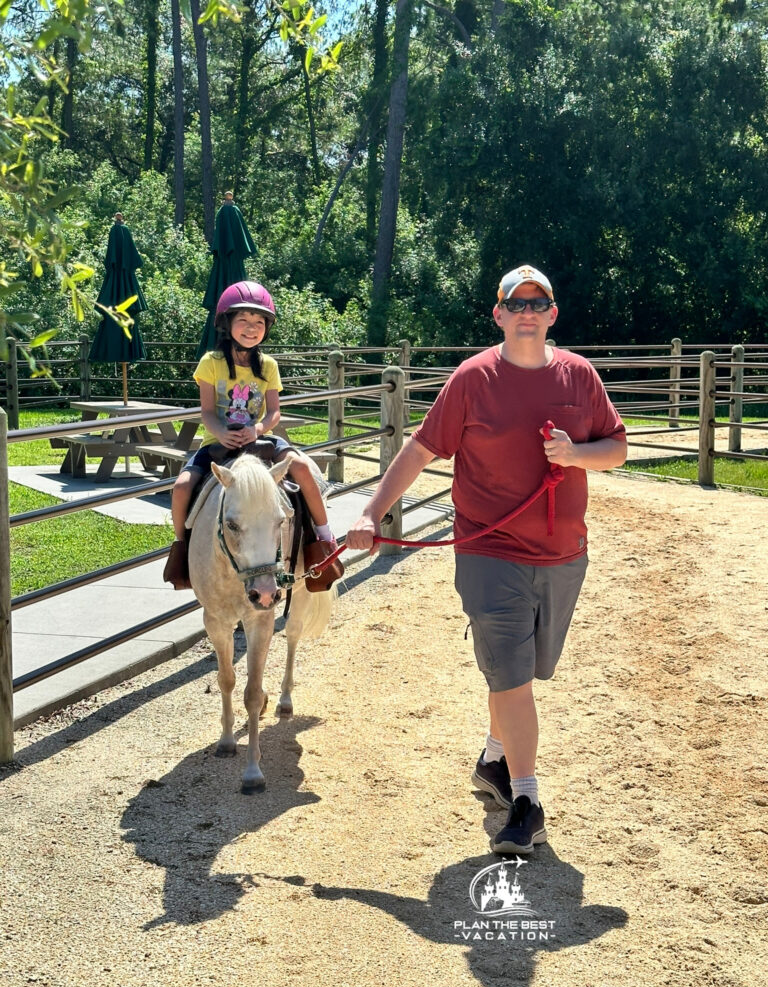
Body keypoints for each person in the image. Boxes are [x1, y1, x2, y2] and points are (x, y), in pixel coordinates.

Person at [346, 265, 627, 856]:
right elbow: (420, 450)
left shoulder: (580, 376)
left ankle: (496, 758)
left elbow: (617, 449)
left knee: (523, 674)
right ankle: (525, 802)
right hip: (488, 551)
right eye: (514, 302)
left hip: (562, 553)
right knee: (513, 674)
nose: (527, 311)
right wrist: (372, 512)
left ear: (553, 313)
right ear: (497, 313)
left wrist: (577, 455)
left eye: (538, 301)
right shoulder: (473, 379)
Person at [163, 280, 335, 589]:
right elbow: (206, 411)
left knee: (301, 468)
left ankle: (322, 538)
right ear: (227, 324)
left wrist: (256, 429)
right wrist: (221, 434)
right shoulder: (211, 363)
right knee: (181, 487)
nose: (251, 328)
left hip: (258, 439)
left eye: (258, 322)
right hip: (219, 442)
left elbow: (273, 413)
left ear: (266, 328)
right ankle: (183, 548)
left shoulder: (268, 365)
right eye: (243, 320)